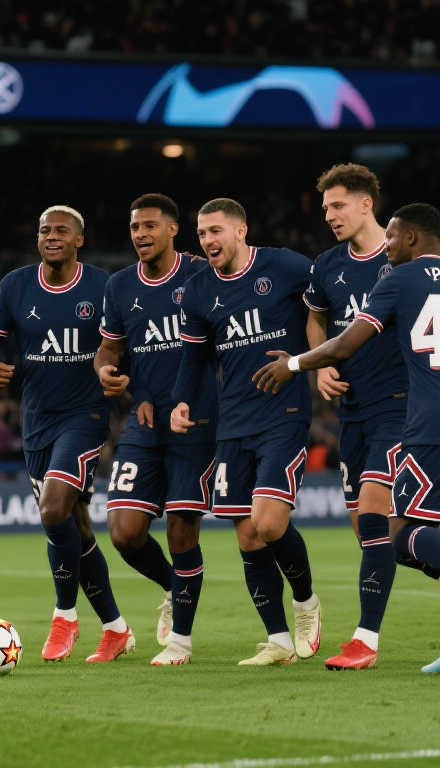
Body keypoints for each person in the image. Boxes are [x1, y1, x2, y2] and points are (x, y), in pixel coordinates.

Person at [253, 203, 440, 674]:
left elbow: (347, 343)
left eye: (391, 237)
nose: (385, 247)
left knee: (399, 534)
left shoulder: (401, 279)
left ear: (410, 237)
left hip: (434, 421)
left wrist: (294, 364)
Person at [0, 205, 132, 663]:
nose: (52, 236)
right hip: (36, 421)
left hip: (85, 416)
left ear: (79, 239)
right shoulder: (15, 286)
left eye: (62, 230)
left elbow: (124, 343)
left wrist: (121, 377)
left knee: (53, 507)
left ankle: (64, 618)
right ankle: (116, 629)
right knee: (75, 528)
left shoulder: (102, 286)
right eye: (45, 230)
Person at [170, 198, 322, 666]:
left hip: (283, 412)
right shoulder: (197, 291)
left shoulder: (285, 266)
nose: (207, 240)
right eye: (201, 234)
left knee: (269, 523)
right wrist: (181, 400)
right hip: (232, 421)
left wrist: (316, 360)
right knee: (248, 538)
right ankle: (278, 641)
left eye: (215, 231)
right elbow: (193, 356)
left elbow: (326, 301)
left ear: (241, 230)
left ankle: (306, 603)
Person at [94, 193, 217, 666]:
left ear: (172, 229)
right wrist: (107, 373)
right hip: (144, 421)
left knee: (182, 529)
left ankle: (180, 641)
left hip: (194, 422)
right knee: (124, 533)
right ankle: (173, 586)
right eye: (134, 227)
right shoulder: (120, 286)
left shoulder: (200, 275)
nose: (141, 234)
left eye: (149, 225)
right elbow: (110, 350)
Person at [302, 164, 408, 670]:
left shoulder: (403, 255)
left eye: (338, 205)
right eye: (326, 208)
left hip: (400, 404)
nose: (330, 215)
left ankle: (365, 640)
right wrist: (321, 365)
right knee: (373, 535)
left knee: (373, 521)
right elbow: (315, 317)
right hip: (354, 410)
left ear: (367, 204)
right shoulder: (326, 265)